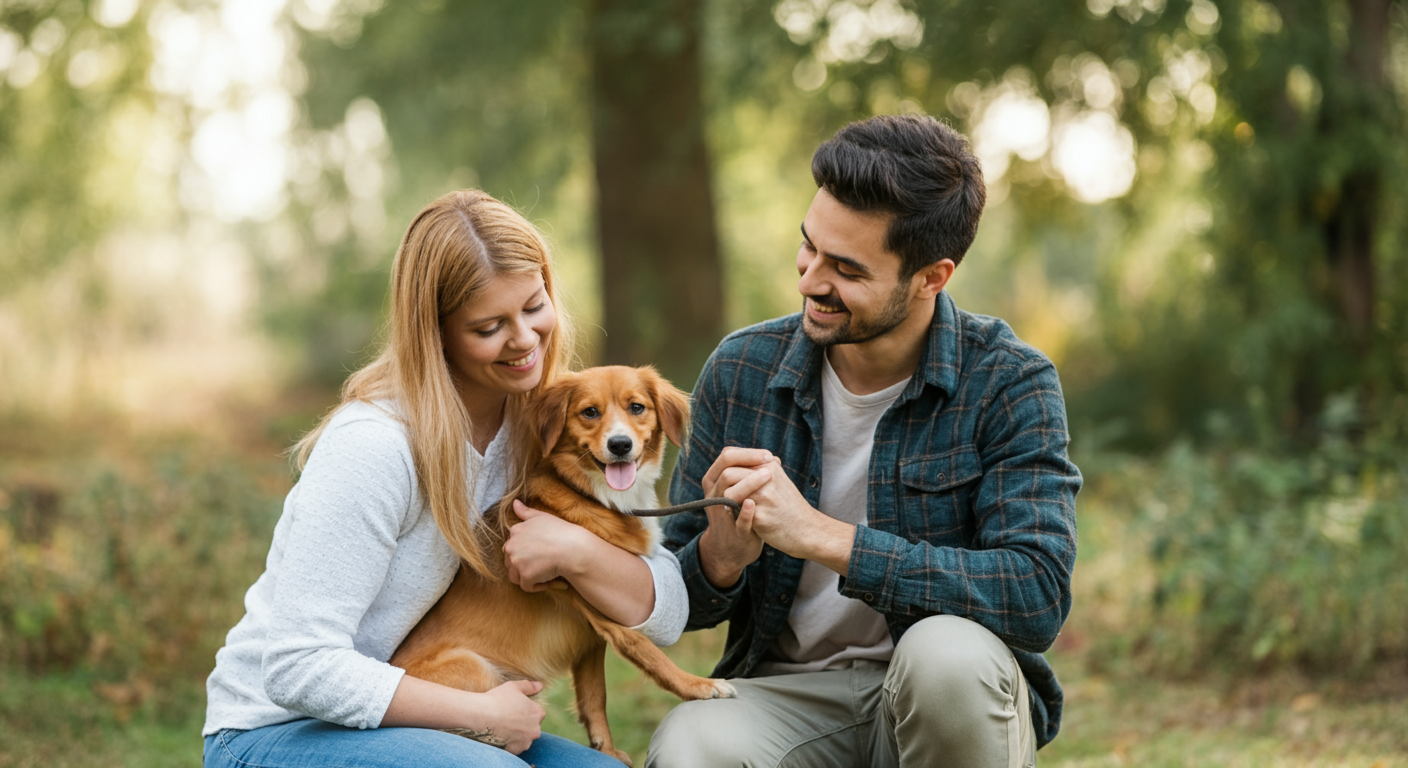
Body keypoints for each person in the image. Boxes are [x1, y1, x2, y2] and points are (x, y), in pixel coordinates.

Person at [647, 115, 1081, 768]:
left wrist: (827, 538)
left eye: (846, 268)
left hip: (941, 699)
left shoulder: (1008, 381)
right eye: (809, 247)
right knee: (688, 745)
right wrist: (720, 558)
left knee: (946, 658)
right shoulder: (742, 371)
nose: (810, 281)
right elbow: (674, 599)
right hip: (789, 695)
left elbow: (1036, 593)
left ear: (932, 277)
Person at [202, 190, 687, 768]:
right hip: (275, 731)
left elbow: (670, 613)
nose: (526, 340)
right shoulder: (374, 445)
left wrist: (580, 550)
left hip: (404, 712)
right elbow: (295, 664)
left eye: (534, 306)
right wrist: (478, 713)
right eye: (489, 326)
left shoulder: (542, 423)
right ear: (435, 333)